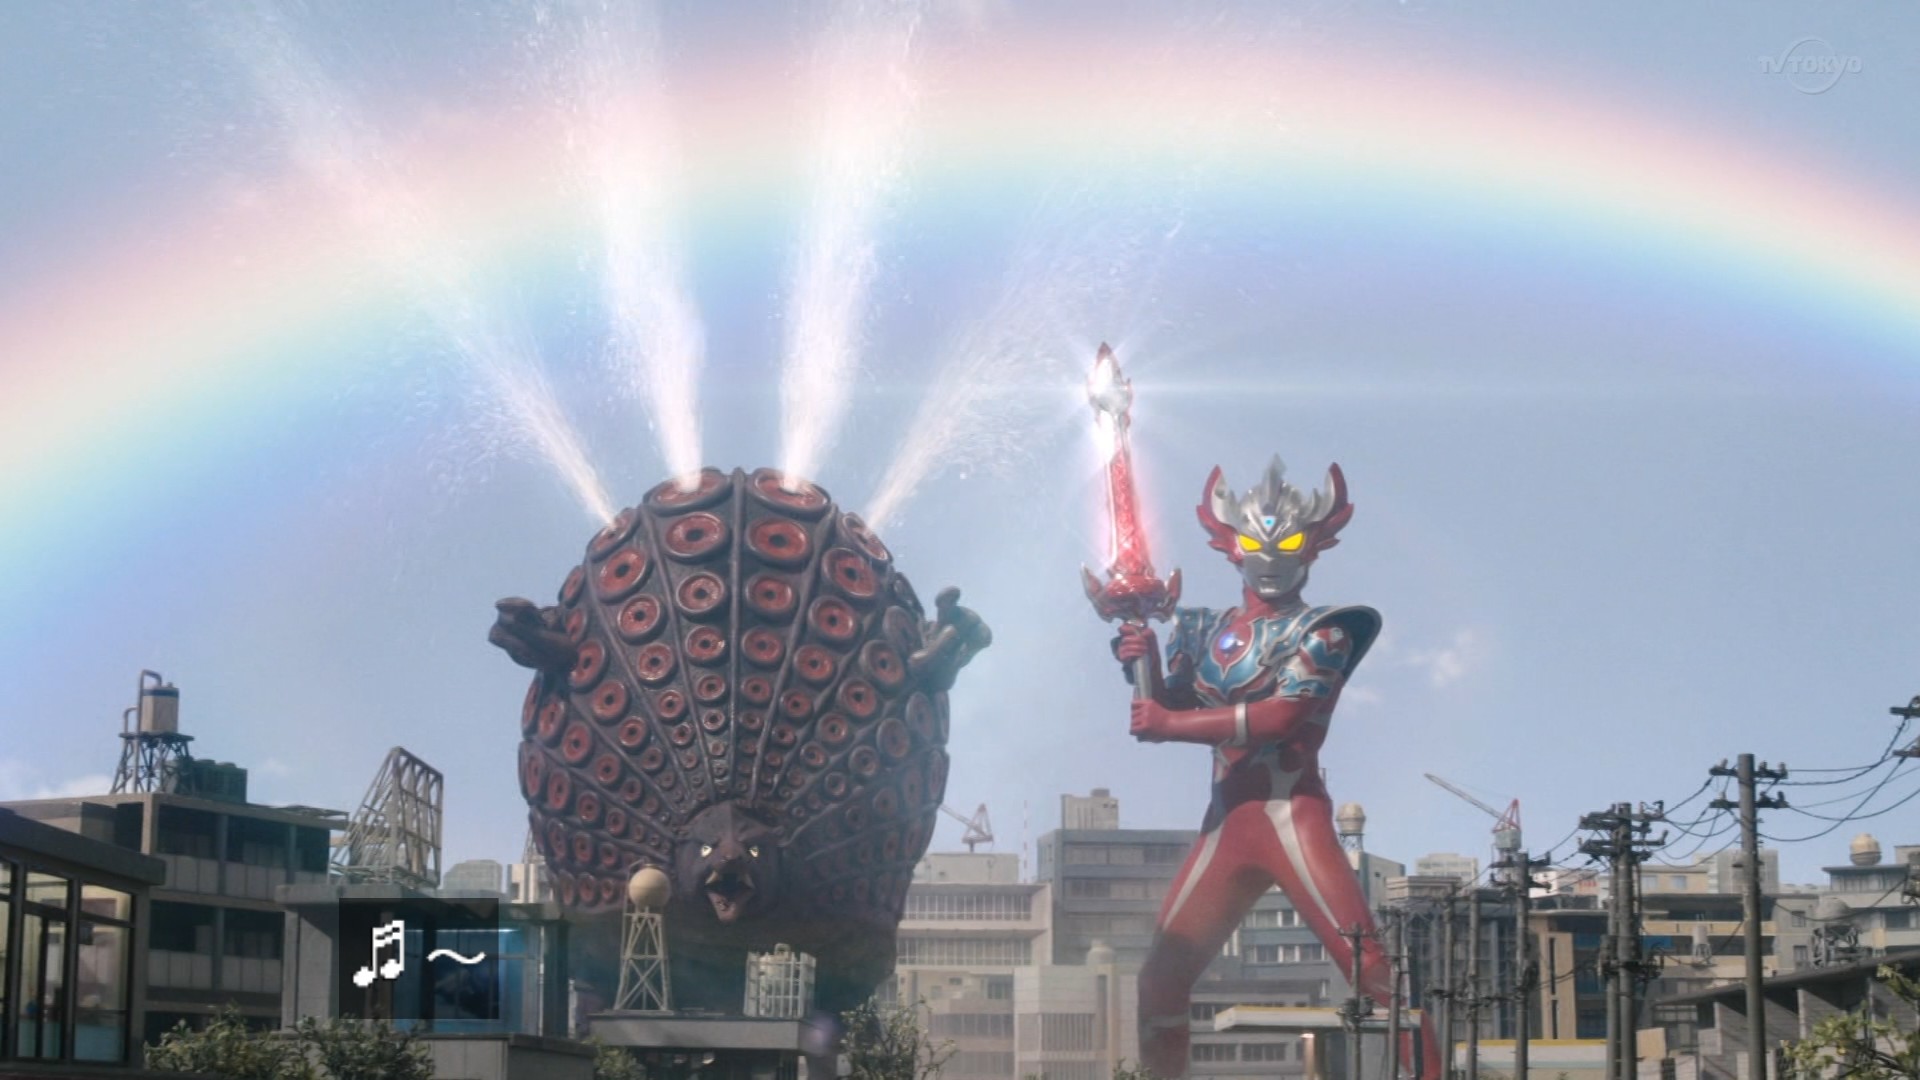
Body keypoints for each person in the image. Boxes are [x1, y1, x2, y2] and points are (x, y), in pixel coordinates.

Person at [1113, 455, 1437, 1079]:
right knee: (1159, 982)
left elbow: (1282, 716)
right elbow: (1173, 700)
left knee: (1372, 972)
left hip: (1291, 815)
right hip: (1227, 823)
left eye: (1287, 543)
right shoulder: (1201, 628)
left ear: (1313, 545)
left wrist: (1167, 724)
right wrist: (1143, 658)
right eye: (1256, 543)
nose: (1270, 557)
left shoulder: (1326, 631)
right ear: (1230, 545)